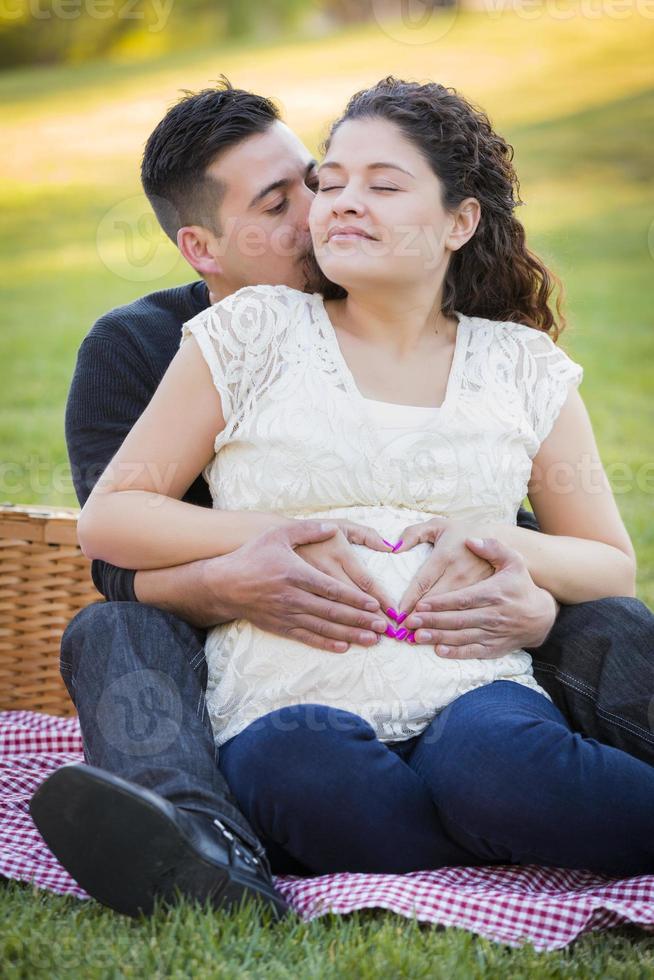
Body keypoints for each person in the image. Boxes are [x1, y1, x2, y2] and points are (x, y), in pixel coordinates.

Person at [30, 80, 654, 915]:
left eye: (320, 183)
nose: (326, 210)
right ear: (203, 246)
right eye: (295, 198)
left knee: (517, 734)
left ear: (458, 222)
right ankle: (198, 842)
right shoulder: (191, 342)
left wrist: (522, 586)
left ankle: (489, 807)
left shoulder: (510, 362)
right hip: (271, 675)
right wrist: (243, 567)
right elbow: (112, 543)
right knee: (155, 659)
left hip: (463, 670)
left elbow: (565, 546)